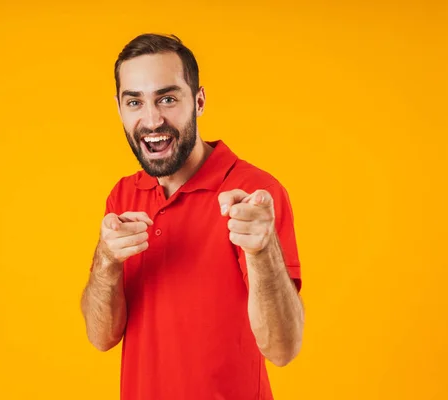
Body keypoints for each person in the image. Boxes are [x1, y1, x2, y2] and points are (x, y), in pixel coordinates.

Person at [80, 33, 304, 400]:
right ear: (119, 108)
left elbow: (282, 349)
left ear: (198, 101)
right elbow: (101, 336)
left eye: (167, 98)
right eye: (134, 101)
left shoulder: (255, 194)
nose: (152, 120)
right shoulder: (122, 196)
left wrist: (263, 252)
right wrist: (106, 260)